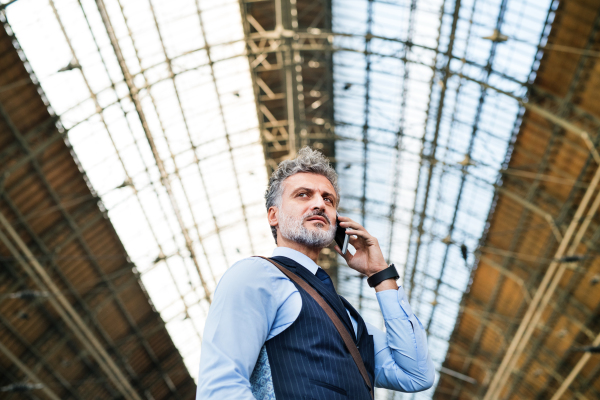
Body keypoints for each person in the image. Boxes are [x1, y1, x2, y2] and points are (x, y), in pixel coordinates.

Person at [196, 147, 435, 399]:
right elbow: (220, 388)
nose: (319, 204)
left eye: (328, 199)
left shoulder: (347, 317)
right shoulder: (256, 275)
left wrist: (380, 274)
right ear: (273, 215)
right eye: (303, 195)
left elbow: (416, 374)